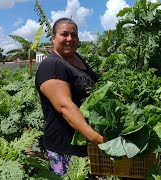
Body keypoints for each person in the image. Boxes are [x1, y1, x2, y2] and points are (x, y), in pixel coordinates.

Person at [35, 18, 105, 176]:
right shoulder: (52, 66)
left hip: (84, 146)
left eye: (74, 35)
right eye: (64, 34)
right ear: (53, 38)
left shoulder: (77, 59)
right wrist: (97, 139)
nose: (70, 39)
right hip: (66, 149)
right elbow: (65, 107)